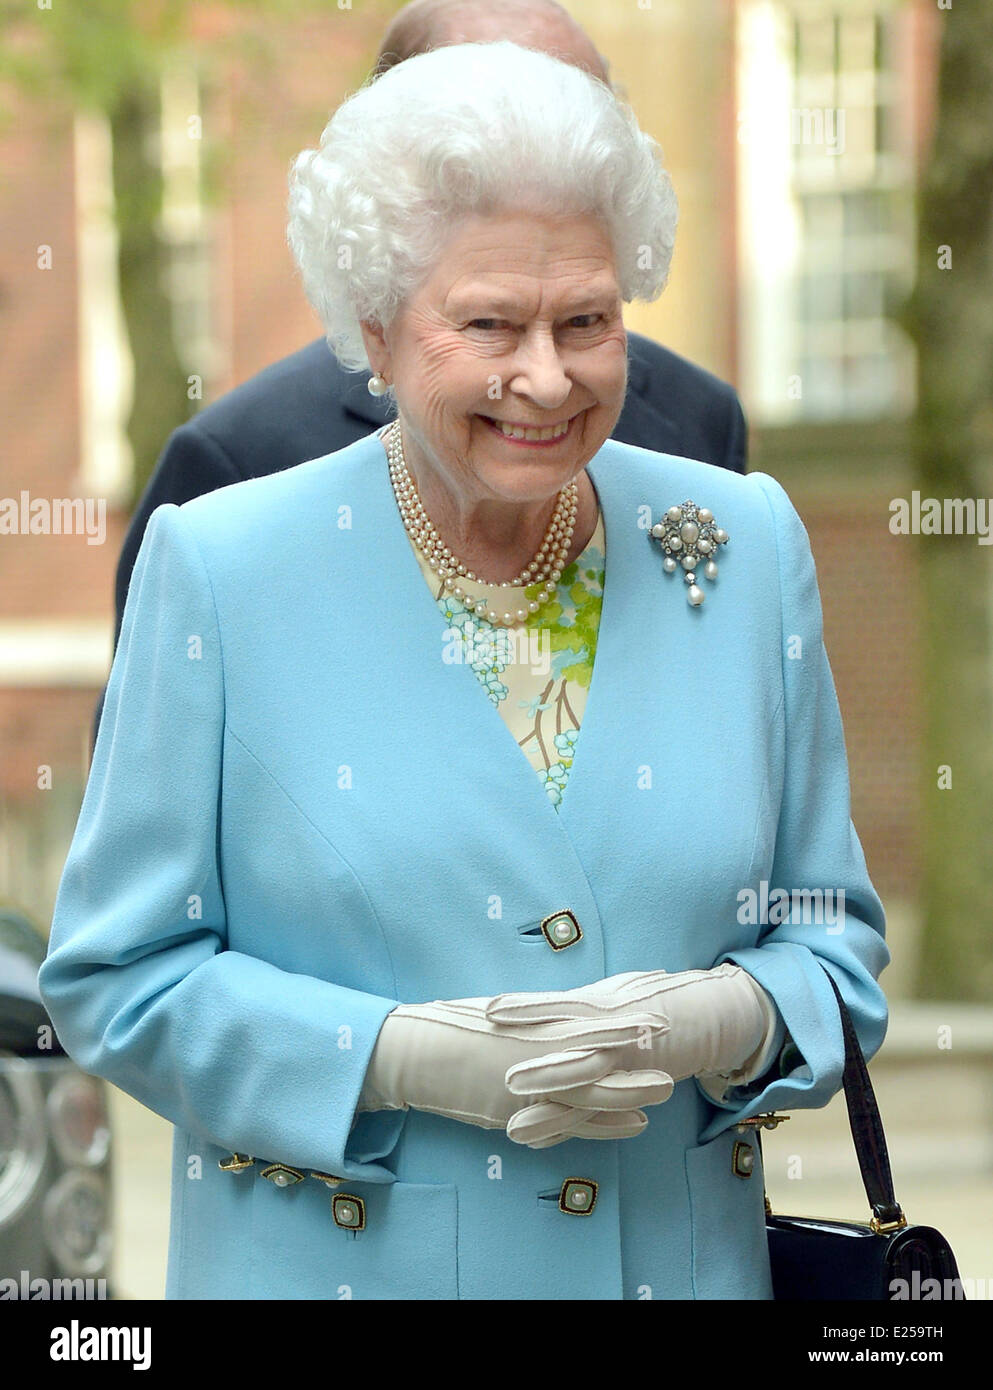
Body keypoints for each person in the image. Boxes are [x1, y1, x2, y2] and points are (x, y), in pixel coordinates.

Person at [40, 41, 888, 1301]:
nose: (547, 377)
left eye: (587, 322)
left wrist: (720, 1019)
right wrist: (397, 1056)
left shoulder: (744, 543)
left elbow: (834, 943)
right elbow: (117, 977)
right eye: (489, 323)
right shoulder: (225, 566)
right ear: (375, 330)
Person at [92, 0, 747, 752]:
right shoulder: (233, 480)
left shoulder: (721, 477)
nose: (546, 381)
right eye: (487, 324)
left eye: (575, 111)